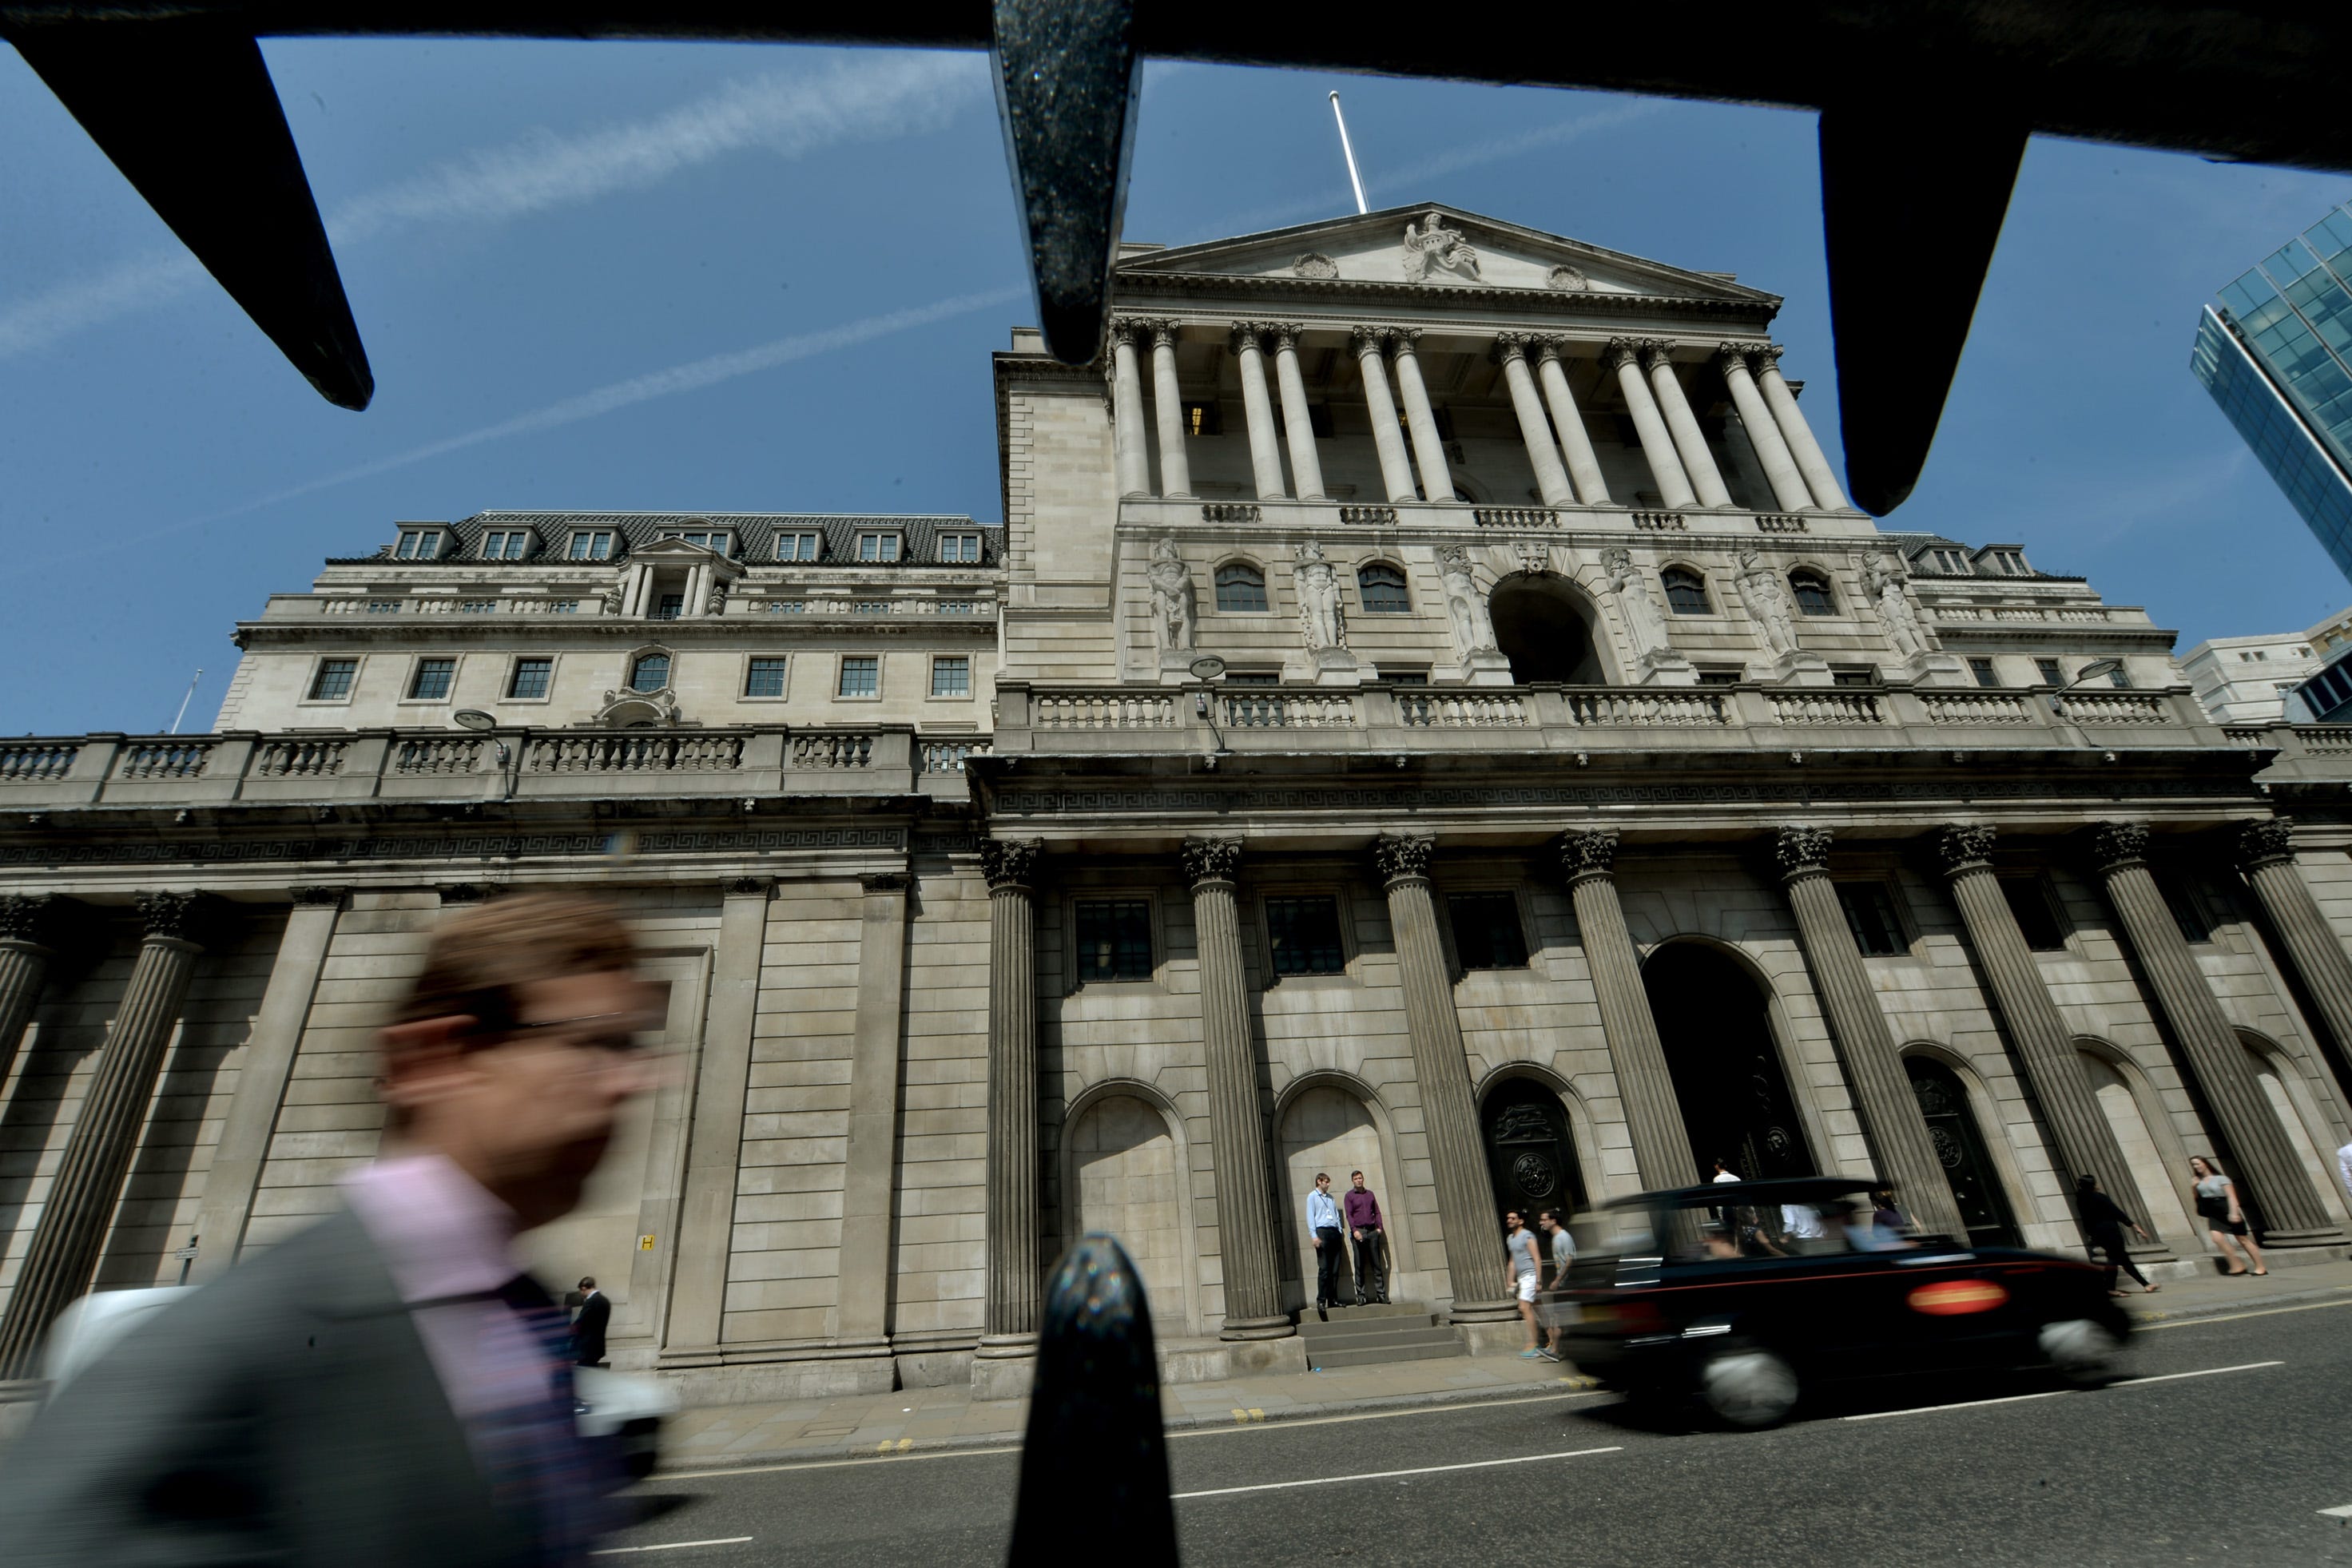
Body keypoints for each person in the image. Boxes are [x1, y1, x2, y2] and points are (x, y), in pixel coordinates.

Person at [0, 892, 660, 1566]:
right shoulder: (207, 1358)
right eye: (592, 1043)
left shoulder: (516, 1311)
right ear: (433, 1058)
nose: (634, 1079)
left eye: (633, 1043)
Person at [2076, 1174, 2157, 1296]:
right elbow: (2116, 1212)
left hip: (2097, 1233)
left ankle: (2146, 1285)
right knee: (2114, 1259)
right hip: (2110, 1232)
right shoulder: (2100, 1197)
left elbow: (2086, 1219)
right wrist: (2134, 1226)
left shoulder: (2080, 1200)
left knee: (2123, 1259)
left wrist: (2091, 1233)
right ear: (2093, 1185)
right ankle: (2110, 1288)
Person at [2189, 1155, 2267, 1276]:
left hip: (2226, 1207)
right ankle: (2237, 1264)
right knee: (2217, 1238)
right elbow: (2198, 1198)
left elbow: (2231, 1196)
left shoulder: (2221, 1179)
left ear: (2205, 1163)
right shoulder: (2198, 1181)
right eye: (2193, 1165)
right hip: (2213, 1211)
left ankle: (2260, 1267)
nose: (2195, 1167)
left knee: (2243, 1239)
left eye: (2197, 1163)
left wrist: (2234, 1212)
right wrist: (2194, 1188)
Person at [1343, 1170, 1388, 1305]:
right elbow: (1349, 1215)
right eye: (1356, 1179)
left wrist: (1379, 1228)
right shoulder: (1349, 1196)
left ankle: (1381, 1295)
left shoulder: (1370, 1194)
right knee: (1359, 1265)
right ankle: (1361, 1296)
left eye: (1360, 1178)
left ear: (1363, 1179)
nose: (1359, 1180)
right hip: (1359, 1232)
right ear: (1353, 1181)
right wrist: (1354, 1230)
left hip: (1372, 1231)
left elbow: (1377, 1211)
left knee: (1376, 1265)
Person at [1536, 1209, 1576, 1360]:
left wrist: (1557, 1280)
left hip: (1566, 1283)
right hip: (1562, 1283)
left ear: (1553, 1221)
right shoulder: (1556, 1238)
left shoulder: (1564, 1237)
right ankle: (1557, 1349)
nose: (1541, 1223)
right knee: (1559, 1317)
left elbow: (1570, 1260)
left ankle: (1555, 1350)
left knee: (1559, 1317)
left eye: (1544, 1219)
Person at [1503, 1210, 1543, 1356]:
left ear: (1521, 1221)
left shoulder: (1527, 1236)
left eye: (1513, 1218)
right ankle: (1553, 1340)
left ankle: (1534, 1344)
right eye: (1508, 1218)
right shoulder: (1510, 1238)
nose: (1509, 1220)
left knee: (1524, 1307)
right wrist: (1509, 1280)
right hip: (1522, 1278)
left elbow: (1537, 1258)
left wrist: (1538, 1281)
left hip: (1531, 1276)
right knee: (1539, 1309)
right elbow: (1512, 1261)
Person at [1307, 1172, 1347, 1310]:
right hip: (1322, 1232)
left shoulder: (1330, 1198)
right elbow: (1310, 1217)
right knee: (1324, 1269)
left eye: (1329, 1182)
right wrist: (1314, 1236)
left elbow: (1336, 1215)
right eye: (1326, 1181)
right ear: (1319, 1181)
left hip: (1334, 1232)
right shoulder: (1312, 1196)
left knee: (1335, 1269)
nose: (1328, 1184)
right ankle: (1321, 1300)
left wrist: (1339, 1230)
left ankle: (1333, 1299)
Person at [570, 1276, 610, 1368]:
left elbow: (580, 1322)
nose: (581, 1294)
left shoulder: (591, 1301)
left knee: (584, 1371)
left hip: (587, 1347)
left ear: (583, 1288)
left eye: (581, 1291)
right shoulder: (605, 1301)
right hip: (598, 1346)